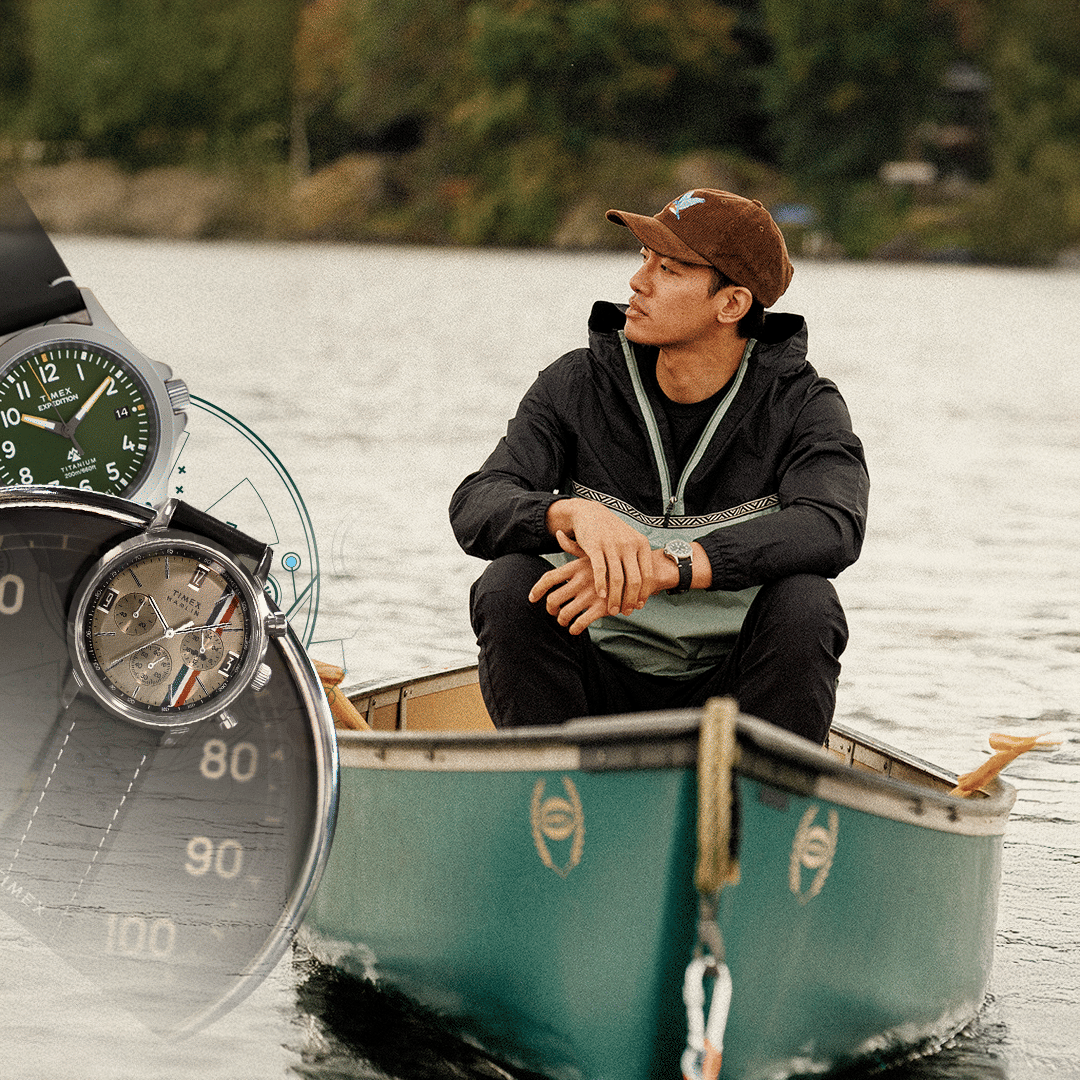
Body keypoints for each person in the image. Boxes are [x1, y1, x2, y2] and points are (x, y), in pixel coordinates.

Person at [449, 189, 868, 744]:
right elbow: (477, 502)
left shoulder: (803, 405)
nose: (637, 282)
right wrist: (565, 513)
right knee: (508, 585)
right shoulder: (577, 384)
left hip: (731, 695)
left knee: (808, 605)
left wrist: (665, 565)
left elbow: (832, 524)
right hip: (592, 678)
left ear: (732, 305)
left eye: (668, 269)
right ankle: (550, 798)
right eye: (644, 259)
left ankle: (767, 808)